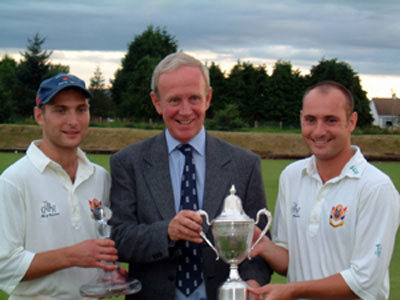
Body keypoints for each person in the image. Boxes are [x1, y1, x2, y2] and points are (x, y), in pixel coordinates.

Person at [109, 51, 272, 300]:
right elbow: (118, 239)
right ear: (157, 102)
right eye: (174, 100)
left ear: (208, 98)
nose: (185, 111)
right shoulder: (128, 162)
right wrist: (166, 232)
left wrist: (249, 284)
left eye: (194, 98)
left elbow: (260, 245)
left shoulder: (244, 164)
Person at [249, 81, 400, 300]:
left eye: (331, 120)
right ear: (301, 118)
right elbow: (292, 262)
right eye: (310, 120)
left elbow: (364, 281)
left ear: (351, 122)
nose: (319, 131)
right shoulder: (291, 176)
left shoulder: (376, 187)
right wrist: (262, 245)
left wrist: (292, 289)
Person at [0, 73, 118, 299]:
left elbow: (106, 243)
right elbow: (4, 266)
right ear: (39, 116)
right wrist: (72, 256)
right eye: (60, 110)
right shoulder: (14, 180)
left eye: (81, 109)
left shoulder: (100, 176)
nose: (73, 121)